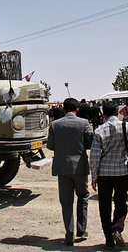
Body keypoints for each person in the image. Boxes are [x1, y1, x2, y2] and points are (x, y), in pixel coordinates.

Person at [90, 100, 128, 249]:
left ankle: (108, 239)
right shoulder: (125, 126)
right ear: (117, 112)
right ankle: (117, 228)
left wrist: (94, 176)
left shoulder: (99, 130)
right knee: (120, 202)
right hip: (122, 172)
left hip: (104, 174)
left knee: (104, 206)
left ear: (103, 113)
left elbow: (94, 156)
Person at [47, 97, 93, 246]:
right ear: (77, 109)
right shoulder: (84, 123)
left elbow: (50, 146)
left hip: (62, 167)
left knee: (66, 202)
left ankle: (69, 233)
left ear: (64, 109)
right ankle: (81, 228)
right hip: (80, 167)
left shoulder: (54, 125)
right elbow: (89, 143)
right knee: (83, 196)